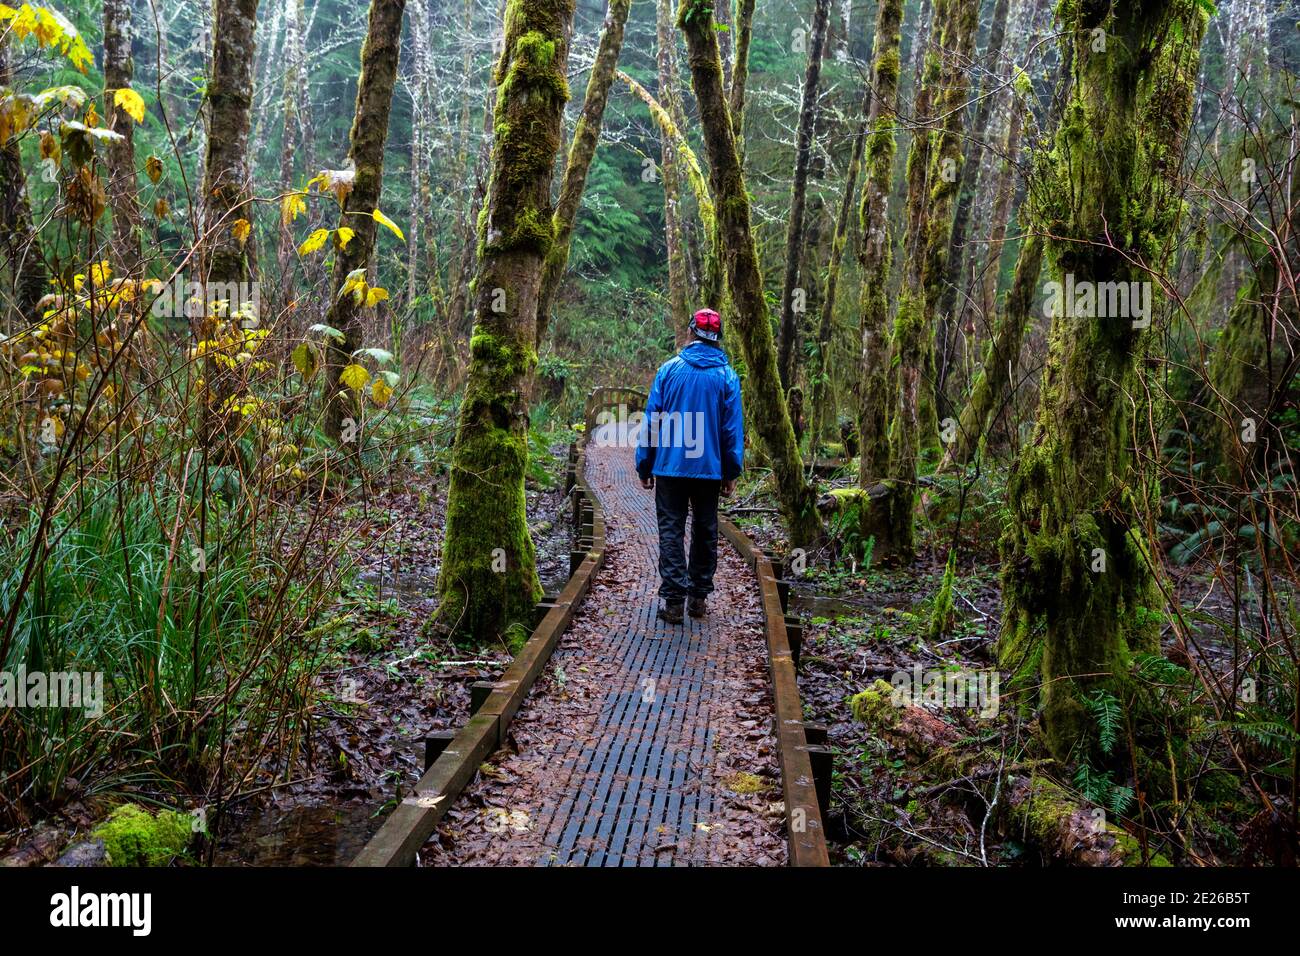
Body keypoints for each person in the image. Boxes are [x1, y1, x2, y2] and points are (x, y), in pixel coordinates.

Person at [635, 308, 744, 624]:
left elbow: (652, 420)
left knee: (671, 528)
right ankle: (697, 598)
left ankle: (673, 602)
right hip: (709, 468)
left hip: (669, 466)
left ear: (690, 332)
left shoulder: (669, 371)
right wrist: (731, 471)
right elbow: (731, 430)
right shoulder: (727, 377)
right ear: (717, 338)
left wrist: (645, 464)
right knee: (705, 529)